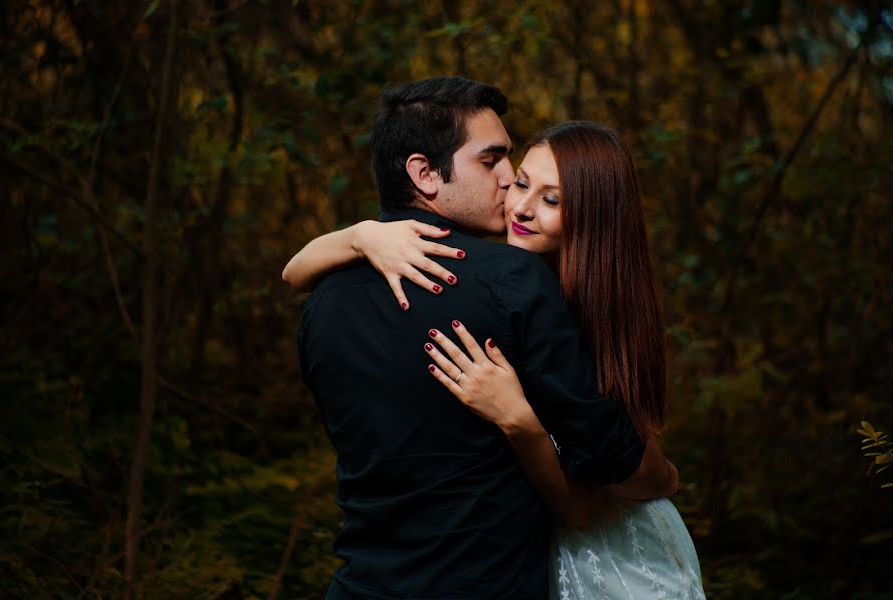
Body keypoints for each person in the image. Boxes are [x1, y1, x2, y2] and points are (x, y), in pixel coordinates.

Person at [291, 77, 679, 600]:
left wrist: (357, 235)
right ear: (424, 174)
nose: (506, 181)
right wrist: (664, 477)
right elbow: (616, 465)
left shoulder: (323, 301)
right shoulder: (512, 281)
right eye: (490, 160)